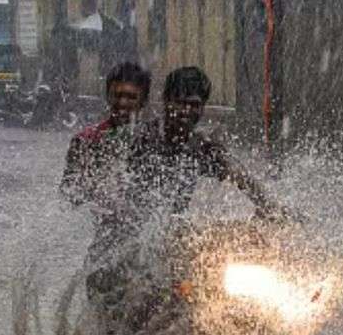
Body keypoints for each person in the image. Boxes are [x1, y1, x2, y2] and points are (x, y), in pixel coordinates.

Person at [120, 66, 288, 231]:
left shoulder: (201, 148)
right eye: (180, 102)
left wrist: (269, 206)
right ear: (166, 100)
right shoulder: (142, 139)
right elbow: (117, 189)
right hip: (132, 232)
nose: (186, 111)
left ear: (203, 107)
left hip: (172, 234)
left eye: (194, 104)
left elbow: (240, 176)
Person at [60, 61, 151, 208]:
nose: (122, 103)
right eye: (117, 95)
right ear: (108, 96)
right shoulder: (85, 140)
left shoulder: (152, 141)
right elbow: (68, 196)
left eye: (131, 97)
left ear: (144, 101)